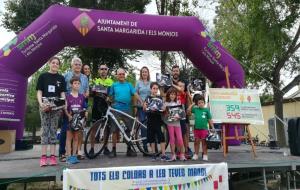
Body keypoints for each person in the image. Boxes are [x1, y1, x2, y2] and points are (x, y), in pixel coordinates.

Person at [36, 57, 66, 167]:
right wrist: (41, 104)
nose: (55, 65)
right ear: (49, 63)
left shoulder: (61, 78)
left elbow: (62, 94)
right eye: (53, 63)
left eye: (57, 63)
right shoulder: (43, 76)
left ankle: (53, 157)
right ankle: (43, 157)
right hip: (44, 106)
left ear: (59, 65)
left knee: (53, 131)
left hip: (56, 108)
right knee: (44, 131)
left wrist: (64, 105)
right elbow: (39, 92)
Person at [59, 57, 89, 161]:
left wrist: (84, 106)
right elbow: (61, 91)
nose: (77, 66)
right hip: (69, 107)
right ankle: (63, 153)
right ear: (72, 65)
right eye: (75, 64)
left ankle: (77, 153)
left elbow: (87, 91)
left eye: (79, 64)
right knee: (65, 131)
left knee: (79, 131)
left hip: (80, 106)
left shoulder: (85, 78)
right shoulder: (66, 75)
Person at [108, 68, 142, 158]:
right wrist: (110, 102)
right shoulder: (114, 85)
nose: (121, 76)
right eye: (120, 74)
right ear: (117, 75)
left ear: (125, 75)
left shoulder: (129, 85)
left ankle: (129, 149)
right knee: (114, 130)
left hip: (127, 108)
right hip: (116, 109)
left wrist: (142, 102)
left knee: (129, 129)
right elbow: (110, 96)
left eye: (123, 74)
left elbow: (135, 94)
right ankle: (113, 150)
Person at [89, 64, 114, 156]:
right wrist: (100, 90)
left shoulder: (111, 82)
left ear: (107, 71)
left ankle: (106, 147)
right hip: (96, 107)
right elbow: (91, 93)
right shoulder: (95, 80)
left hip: (106, 107)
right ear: (99, 71)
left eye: (105, 69)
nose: (103, 71)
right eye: (101, 69)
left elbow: (111, 95)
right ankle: (92, 148)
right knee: (94, 128)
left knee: (106, 128)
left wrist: (100, 90)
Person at [65, 77, 88, 164]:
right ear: (71, 85)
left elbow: (85, 107)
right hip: (70, 120)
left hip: (78, 121)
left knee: (76, 138)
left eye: (78, 83)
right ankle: (69, 156)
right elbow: (65, 108)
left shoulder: (82, 96)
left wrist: (85, 113)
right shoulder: (68, 96)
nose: (77, 85)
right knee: (69, 138)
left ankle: (74, 156)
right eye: (75, 83)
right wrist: (68, 115)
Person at [143, 82, 169, 161]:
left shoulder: (160, 98)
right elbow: (145, 108)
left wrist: (164, 108)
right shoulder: (147, 97)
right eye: (154, 88)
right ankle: (154, 154)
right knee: (151, 138)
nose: (155, 90)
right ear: (150, 89)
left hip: (158, 120)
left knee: (161, 137)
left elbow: (163, 108)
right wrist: (144, 106)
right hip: (150, 120)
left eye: (156, 89)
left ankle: (163, 154)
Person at [187, 95, 214, 161]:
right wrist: (193, 104)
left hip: (204, 129)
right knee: (196, 142)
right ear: (197, 104)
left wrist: (212, 127)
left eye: (202, 102)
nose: (201, 104)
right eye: (199, 103)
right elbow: (188, 111)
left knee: (204, 142)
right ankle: (196, 154)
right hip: (196, 129)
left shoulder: (206, 110)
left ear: (204, 103)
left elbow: (209, 119)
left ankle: (205, 155)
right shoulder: (195, 109)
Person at [164, 87, 186, 161]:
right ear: (168, 95)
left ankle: (182, 154)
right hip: (170, 123)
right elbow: (164, 114)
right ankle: (173, 155)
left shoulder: (178, 102)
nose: (172, 96)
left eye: (174, 94)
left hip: (177, 123)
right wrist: (165, 111)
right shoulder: (166, 103)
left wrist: (179, 116)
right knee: (172, 139)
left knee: (180, 138)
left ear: (176, 95)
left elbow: (182, 113)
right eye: (171, 94)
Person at [135, 66, 151, 154]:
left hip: (150, 107)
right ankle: (145, 147)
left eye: (146, 72)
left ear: (148, 73)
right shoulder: (138, 83)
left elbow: (153, 93)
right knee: (143, 127)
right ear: (141, 73)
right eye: (143, 72)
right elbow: (135, 94)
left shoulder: (151, 83)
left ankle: (153, 145)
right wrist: (141, 102)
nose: (144, 73)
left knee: (151, 126)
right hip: (141, 108)